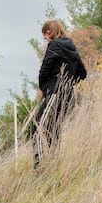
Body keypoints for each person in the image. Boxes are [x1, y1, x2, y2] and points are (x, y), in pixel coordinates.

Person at [33, 20, 87, 168]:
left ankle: (39, 166)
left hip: (55, 93)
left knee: (38, 126)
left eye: (44, 36)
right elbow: (82, 73)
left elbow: (45, 68)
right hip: (69, 96)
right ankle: (53, 162)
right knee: (54, 129)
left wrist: (45, 87)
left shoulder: (54, 45)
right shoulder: (71, 47)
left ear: (49, 33)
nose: (45, 39)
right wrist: (68, 83)